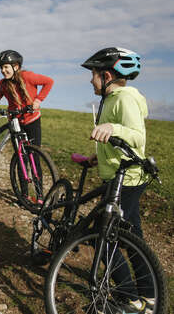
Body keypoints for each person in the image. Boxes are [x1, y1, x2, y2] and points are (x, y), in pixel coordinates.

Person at [81, 47, 154, 313]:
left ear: (107, 75)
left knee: (105, 236)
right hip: (117, 175)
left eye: (94, 75)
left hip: (128, 179)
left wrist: (113, 128)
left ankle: (129, 298)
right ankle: (148, 293)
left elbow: (137, 136)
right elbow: (121, 142)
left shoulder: (125, 98)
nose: (91, 80)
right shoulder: (111, 99)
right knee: (130, 236)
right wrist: (98, 156)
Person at [0, 50, 54, 148]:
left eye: (6, 67)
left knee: (35, 153)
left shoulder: (27, 77)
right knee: (20, 154)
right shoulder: (3, 84)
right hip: (14, 121)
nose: (3, 70)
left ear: (16, 67)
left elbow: (49, 82)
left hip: (32, 119)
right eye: (1, 68)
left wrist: (38, 100)